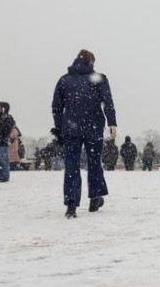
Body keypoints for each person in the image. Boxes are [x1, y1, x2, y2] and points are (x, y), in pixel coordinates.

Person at [50, 49, 117, 218]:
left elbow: (56, 107)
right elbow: (107, 102)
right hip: (93, 126)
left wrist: (59, 128)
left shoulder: (64, 80)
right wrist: (112, 123)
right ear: (91, 62)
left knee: (71, 165)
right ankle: (94, 197)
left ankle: (71, 203)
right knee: (94, 162)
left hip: (70, 127)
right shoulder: (98, 79)